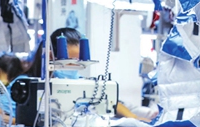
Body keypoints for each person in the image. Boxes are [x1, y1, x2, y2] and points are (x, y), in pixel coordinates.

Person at [25, 27, 154, 121]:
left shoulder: (82, 84)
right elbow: (11, 118)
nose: (75, 66)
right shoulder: (27, 85)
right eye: (70, 61)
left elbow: (108, 101)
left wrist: (134, 118)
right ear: (50, 57)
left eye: (79, 61)